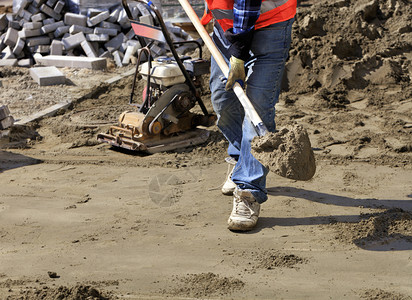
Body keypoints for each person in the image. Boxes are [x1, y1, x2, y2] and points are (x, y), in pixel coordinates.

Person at [201, 0, 297, 231]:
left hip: (272, 23)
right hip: (226, 25)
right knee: (222, 100)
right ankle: (240, 158)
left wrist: (239, 51)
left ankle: (248, 191)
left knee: (258, 107)